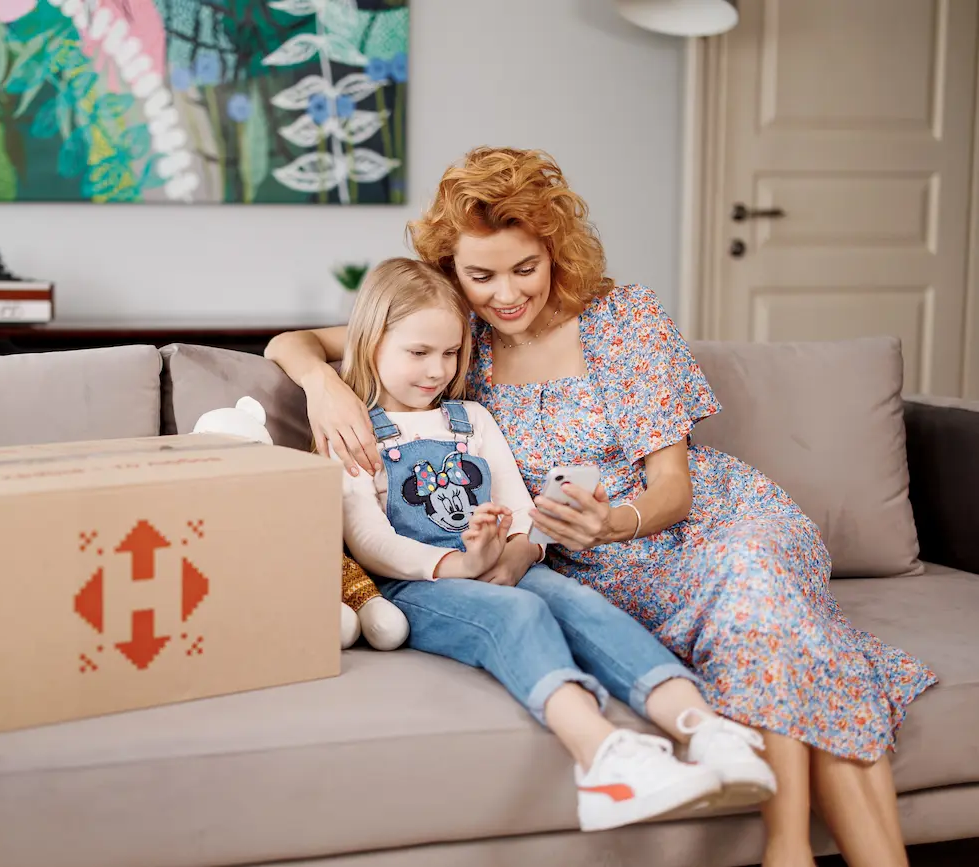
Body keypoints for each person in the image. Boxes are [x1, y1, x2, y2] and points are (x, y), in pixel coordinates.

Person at [266, 148, 937, 867]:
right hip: (596, 567)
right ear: (451, 271)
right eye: (480, 276)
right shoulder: (457, 338)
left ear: (555, 249)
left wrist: (615, 521)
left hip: (708, 524)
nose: (505, 295)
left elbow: (674, 488)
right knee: (799, 640)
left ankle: (786, 848)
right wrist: (320, 385)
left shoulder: (623, 319)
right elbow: (297, 342)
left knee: (756, 592)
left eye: (525, 267)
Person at [324, 255, 776, 833]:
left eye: (451, 353)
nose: (437, 370)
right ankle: (603, 759)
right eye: (419, 353)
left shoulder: (471, 419)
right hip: (417, 583)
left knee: (580, 602)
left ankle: (702, 726)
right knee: (517, 614)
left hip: (499, 563)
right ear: (371, 345)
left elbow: (519, 505)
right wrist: (459, 562)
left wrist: (513, 547)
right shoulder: (353, 431)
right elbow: (367, 538)